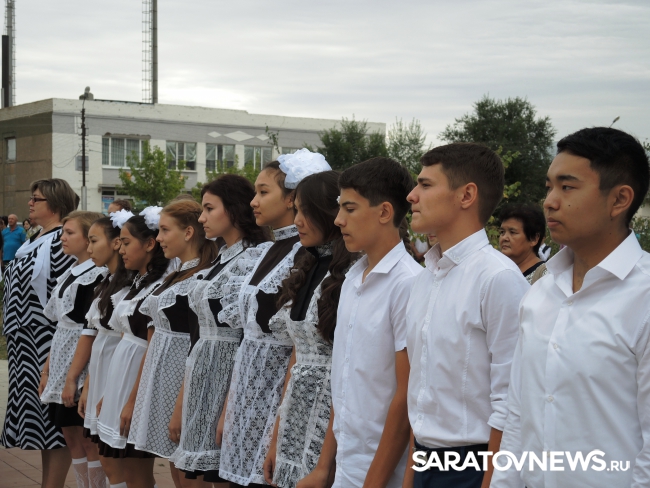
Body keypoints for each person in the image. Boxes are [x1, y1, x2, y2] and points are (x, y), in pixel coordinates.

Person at [492, 127, 650, 488]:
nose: (549, 200)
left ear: (620, 199)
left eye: (567, 187)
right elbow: (519, 416)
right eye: (549, 186)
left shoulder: (644, 297)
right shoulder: (539, 294)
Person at [403, 144, 529, 488]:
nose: (412, 196)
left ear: (466, 195)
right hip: (423, 460)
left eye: (426, 185)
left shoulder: (498, 278)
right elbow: (422, 391)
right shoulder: (426, 275)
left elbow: (511, 400)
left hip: (473, 467)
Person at [299, 157, 421, 488]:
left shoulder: (408, 284)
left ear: (384, 212)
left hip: (385, 472)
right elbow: (346, 378)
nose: (338, 220)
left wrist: (374, 481)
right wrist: (325, 466)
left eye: (350, 209)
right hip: (347, 463)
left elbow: (406, 396)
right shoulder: (353, 276)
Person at [218, 150, 331, 487]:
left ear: (292, 199)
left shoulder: (308, 254)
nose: (254, 200)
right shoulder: (265, 251)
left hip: (282, 389)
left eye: (264, 191)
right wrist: (230, 406)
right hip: (249, 386)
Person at [169, 174, 272, 488]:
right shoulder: (222, 257)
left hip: (231, 375)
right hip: (205, 372)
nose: (202, 218)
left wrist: (231, 401)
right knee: (212, 476)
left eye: (209, 209)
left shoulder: (257, 257)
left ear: (234, 209)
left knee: (229, 473)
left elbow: (247, 332)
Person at [262, 170, 356, 488]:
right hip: (296, 413)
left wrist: (325, 464)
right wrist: (276, 439)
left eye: (306, 211)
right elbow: (296, 358)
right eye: (296, 210)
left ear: (329, 214)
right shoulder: (307, 266)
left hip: (332, 420)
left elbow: (347, 372)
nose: (298, 220)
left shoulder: (351, 275)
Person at [127, 200, 219, 488]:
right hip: (163, 382)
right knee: (178, 474)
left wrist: (181, 405)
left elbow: (198, 344)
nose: (160, 238)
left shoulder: (201, 278)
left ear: (189, 232)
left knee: (190, 476)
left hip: (183, 384)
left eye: (165, 230)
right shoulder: (178, 274)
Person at [0, 179, 78, 488]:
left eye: (37, 199)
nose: (30, 203)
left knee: (52, 421)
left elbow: (64, 295)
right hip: (25, 341)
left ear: (56, 205)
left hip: (46, 338)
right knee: (40, 421)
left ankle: (52, 485)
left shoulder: (62, 240)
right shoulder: (36, 237)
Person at [95, 209, 170, 488]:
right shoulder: (137, 282)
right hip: (120, 379)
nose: (120, 248)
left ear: (150, 244)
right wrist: (109, 392)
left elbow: (151, 348)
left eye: (126, 243)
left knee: (136, 472)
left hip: (136, 381)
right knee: (115, 463)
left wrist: (133, 401)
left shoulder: (160, 287)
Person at [38, 211, 107, 488]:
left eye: (70, 233)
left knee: (88, 439)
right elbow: (62, 326)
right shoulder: (72, 271)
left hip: (81, 363)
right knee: (69, 435)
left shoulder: (97, 275)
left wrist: (74, 377)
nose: (63, 238)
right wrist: (48, 369)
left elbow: (87, 329)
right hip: (62, 359)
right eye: (63, 232)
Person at [77, 212, 133, 488]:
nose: (89, 249)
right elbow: (97, 335)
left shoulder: (130, 284)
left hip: (118, 372)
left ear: (115, 244)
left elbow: (123, 337)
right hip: (101, 373)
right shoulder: (105, 281)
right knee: (103, 454)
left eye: (94, 240)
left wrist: (110, 392)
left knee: (115, 459)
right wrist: (88, 384)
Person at [498, 203, 547, 283]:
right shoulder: (499, 273)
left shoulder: (545, 277)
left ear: (534, 239)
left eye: (512, 232)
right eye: (502, 232)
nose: (504, 238)